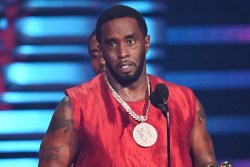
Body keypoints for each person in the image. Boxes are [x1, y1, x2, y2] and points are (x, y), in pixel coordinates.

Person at [38, 5, 218, 167]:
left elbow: (207, 162)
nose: (122, 53)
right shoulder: (76, 106)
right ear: (101, 51)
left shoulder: (183, 100)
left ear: (146, 43)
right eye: (112, 44)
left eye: (130, 41)